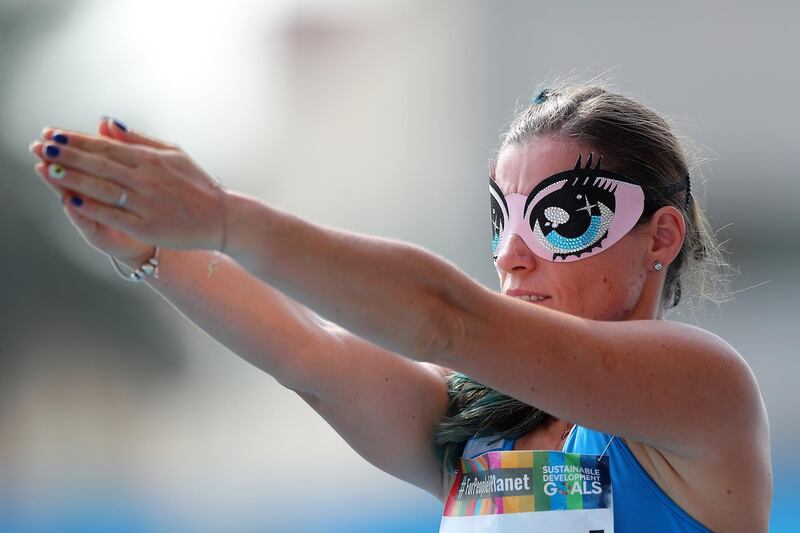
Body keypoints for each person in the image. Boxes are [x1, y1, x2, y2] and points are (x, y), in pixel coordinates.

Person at [28, 82, 771, 532]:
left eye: (560, 219)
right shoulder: (484, 427)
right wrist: (154, 250)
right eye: (499, 220)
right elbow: (310, 356)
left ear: (660, 237)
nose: (512, 254)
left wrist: (225, 218)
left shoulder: (704, 392)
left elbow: (446, 318)